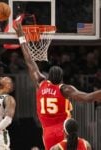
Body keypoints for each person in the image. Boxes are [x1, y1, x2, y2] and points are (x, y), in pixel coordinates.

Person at [13, 22, 101, 150]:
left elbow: (29, 62)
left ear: (48, 77)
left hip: (47, 133)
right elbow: (87, 98)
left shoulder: (41, 83)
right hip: (63, 130)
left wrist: (21, 36)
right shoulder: (64, 89)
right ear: (61, 79)